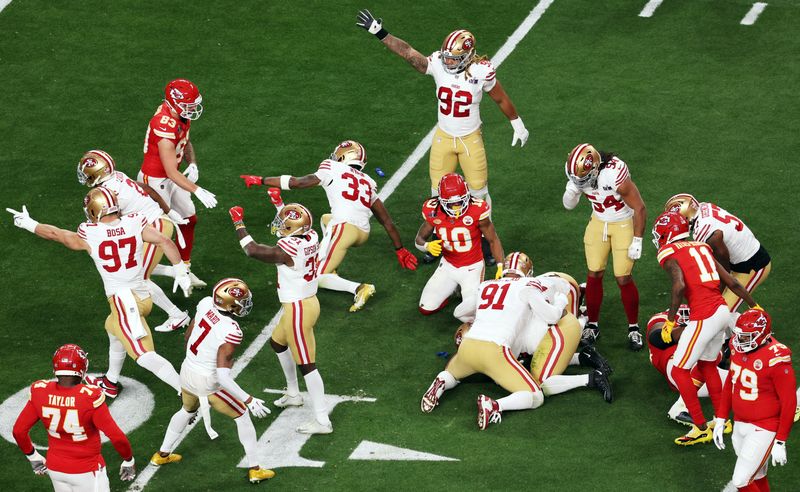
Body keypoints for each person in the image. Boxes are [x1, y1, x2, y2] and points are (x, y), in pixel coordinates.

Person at [356, 10, 529, 263]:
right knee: (438, 196)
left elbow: (500, 97)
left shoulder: (481, 71)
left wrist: (517, 122)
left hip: (470, 139)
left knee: (479, 194)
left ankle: (485, 243)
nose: (447, 62)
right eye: (447, 57)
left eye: (454, 58)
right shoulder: (438, 63)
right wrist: (380, 33)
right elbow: (409, 54)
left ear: (468, 56)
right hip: (444, 137)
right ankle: (439, 241)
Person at [6, 189, 190, 398]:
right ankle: (110, 382)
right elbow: (164, 241)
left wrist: (29, 224)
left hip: (124, 302)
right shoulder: (133, 222)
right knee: (112, 328)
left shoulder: (90, 232)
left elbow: (57, 234)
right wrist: (181, 271)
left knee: (144, 355)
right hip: (142, 295)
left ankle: (186, 392)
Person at [239, 139, 418, 312]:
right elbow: (386, 220)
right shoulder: (368, 181)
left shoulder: (332, 167)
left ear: (343, 156)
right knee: (326, 219)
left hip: (344, 229)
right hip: (362, 232)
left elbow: (297, 182)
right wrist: (400, 248)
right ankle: (330, 259)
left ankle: (359, 288)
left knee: (315, 275)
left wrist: (261, 179)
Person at [420, 252, 565, 430]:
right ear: (527, 271)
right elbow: (552, 317)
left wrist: (482, 316)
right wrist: (560, 302)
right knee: (535, 396)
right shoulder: (527, 286)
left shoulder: (486, 285)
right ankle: (495, 405)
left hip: (468, 347)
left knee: (451, 374)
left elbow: (458, 312)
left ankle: (441, 383)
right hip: (495, 351)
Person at [151, 278, 275, 483]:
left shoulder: (206, 304)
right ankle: (255, 469)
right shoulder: (231, 330)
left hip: (187, 369)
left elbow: (188, 337)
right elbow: (223, 377)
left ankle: (161, 455)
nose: (245, 304)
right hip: (206, 381)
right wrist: (249, 399)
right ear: (230, 304)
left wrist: (197, 360)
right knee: (242, 415)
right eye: (242, 301)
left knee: (187, 410)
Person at [652, 211, 759, 446]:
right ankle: (723, 421)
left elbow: (679, 286)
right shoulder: (702, 246)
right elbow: (732, 282)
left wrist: (670, 322)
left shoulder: (668, 251)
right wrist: (755, 306)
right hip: (722, 310)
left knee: (680, 371)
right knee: (708, 364)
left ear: (667, 234)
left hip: (704, 316)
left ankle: (700, 428)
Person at [229, 203, 332, 434]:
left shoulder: (288, 248)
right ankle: (293, 394)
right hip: (305, 302)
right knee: (277, 343)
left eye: (284, 225)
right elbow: (296, 225)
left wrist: (238, 223)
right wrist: (279, 204)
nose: (279, 227)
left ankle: (322, 421)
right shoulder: (311, 235)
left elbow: (253, 250)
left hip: (298, 309)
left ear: (294, 229)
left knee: (307, 365)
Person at [454, 265, 614, 403]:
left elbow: (554, 309)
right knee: (532, 361)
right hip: (553, 298)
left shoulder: (499, 337)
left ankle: (593, 376)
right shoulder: (498, 321)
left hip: (560, 323)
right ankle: (584, 356)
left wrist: (567, 303)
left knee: (539, 383)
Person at [78, 149, 191, 332]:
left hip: (154, 227)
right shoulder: (117, 177)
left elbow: (115, 223)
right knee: (131, 263)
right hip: (156, 221)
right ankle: (177, 271)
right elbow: (147, 189)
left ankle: (177, 315)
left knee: (138, 279)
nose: (85, 175)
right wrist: (168, 211)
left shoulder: (109, 193)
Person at [12, 344, 136, 491]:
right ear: (82, 369)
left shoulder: (40, 391)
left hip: (55, 469)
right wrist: (129, 460)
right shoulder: (89, 397)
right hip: (87, 470)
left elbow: (18, 431)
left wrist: (33, 456)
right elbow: (117, 437)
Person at [562, 143, 647, 350]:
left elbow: (639, 207)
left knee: (623, 277)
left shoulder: (614, 173)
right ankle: (592, 324)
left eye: (583, 178)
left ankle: (633, 328)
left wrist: (637, 240)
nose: (581, 182)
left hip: (623, 223)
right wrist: (572, 190)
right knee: (594, 273)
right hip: (598, 222)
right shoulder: (578, 171)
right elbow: (568, 205)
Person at [139, 78, 217, 288]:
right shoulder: (164, 123)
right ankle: (139, 272)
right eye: (188, 106)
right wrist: (197, 190)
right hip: (155, 180)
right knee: (160, 231)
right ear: (174, 103)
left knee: (189, 219)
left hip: (171, 176)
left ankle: (185, 268)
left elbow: (184, 139)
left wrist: (192, 163)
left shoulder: (179, 115)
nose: (192, 110)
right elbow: (171, 171)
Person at [713, 309, 796, 492]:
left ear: (762, 334)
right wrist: (720, 418)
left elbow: (789, 402)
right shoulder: (736, 346)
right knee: (757, 476)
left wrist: (780, 441)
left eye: (747, 336)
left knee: (741, 480)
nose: (741, 340)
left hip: (764, 427)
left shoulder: (776, 358)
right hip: (740, 422)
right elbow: (731, 382)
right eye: (740, 335)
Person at [415, 173, 504, 323]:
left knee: (471, 316)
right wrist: (426, 246)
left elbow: (493, 239)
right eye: (451, 204)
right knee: (426, 308)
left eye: (460, 202)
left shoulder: (478, 209)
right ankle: (452, 290)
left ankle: (474, 291)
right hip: (448, 265)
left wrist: (501, 266)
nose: (456, 207)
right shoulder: (432, 209)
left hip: (472, 267)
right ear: (441, 200)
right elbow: (419, 239)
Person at [664, 194, 771, 312]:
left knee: (722, 310)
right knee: (718, 306)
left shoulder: (706, 233)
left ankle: (757, 327)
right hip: (742, 257)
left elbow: (723, 266)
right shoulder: (704, 208)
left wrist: (716, 293)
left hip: (752, 266)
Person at [646, 306, 730, 428]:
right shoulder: (666, 316)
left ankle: (681, 405)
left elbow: (723, 349)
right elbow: (657, 338)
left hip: (703, 368)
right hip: (676, 364)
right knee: (744, 383)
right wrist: (693, 327)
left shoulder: (713, 313)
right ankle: (680, 406)